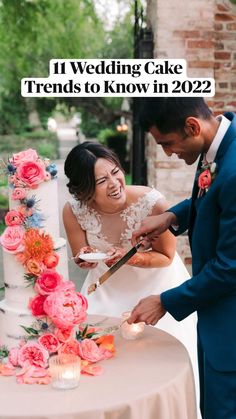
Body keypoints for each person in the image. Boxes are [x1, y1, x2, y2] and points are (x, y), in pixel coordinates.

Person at [129, 97, 236, 419]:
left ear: (192, 126)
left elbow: (230, 265)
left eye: (167, 143)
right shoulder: (219, 145)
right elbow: (215, 202)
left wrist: (165, 300)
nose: (167, 153)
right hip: (215, 312)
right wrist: (172, 217)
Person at [62, 141, 198, 377]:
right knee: (98, 361)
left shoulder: (152, 203)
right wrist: (84, 258)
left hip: (155, 287)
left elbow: (166, 257)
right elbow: (80, 253)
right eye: (102, 181)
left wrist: (130, 259)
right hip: (104, 289)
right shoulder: (73, 211)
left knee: (158, 366)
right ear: (84, 190)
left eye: (115, 172)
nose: (114, 184)